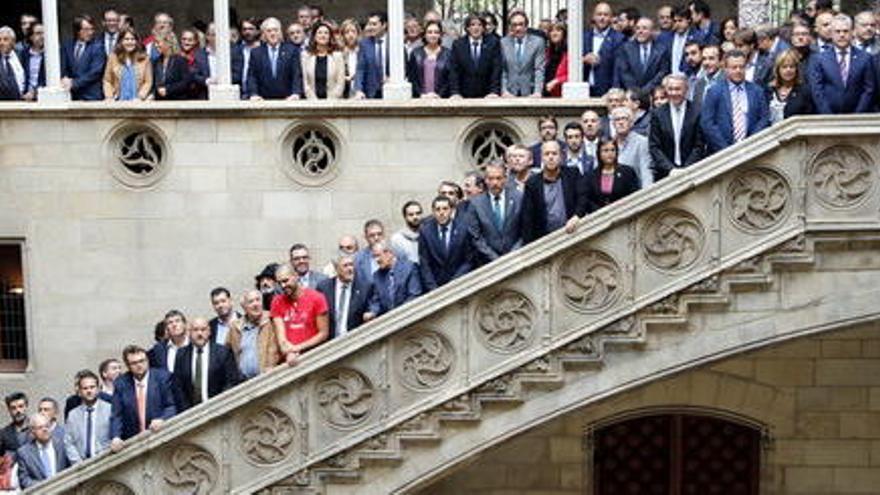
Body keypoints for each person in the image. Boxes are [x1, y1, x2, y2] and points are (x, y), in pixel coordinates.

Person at [700, 50, 770, 154]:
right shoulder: (714, 91)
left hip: (751, 151)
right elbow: (707, 123)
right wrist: (726, 150)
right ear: (726, 68)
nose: (738, 70)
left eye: (741, 67)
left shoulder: (757, 91)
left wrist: (750, 143)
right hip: (721, 153)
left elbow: (764, 119)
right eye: (734, 67)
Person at [109, 345, 177, 450]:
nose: (139, 365)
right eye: (134, 363)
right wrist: (116, 437)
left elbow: (172, 406)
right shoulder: (121, 383)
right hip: (133, 442)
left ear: (148, 360)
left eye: (142, 361)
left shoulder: (162, 377)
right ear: (128, 365)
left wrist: (162, 419)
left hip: (159, 436)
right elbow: (117, 414)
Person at [521, 141, 589, 244]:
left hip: (572, 235)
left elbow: (583, 198)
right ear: (541, 157)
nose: (551, 157)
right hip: (545, 241)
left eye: (554, 153)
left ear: (561, 156)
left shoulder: (572, 174)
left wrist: (577, 216)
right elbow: (527, 218)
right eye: (547, 154)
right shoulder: (532, 183)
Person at [808, 14, 875, 114]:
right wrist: (828, 115)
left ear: (852, 33)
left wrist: (858, 114)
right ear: (831, 34)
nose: (842, 35)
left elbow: (869, 89)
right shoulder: (819, 59)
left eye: (845, 31)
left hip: (858, 118)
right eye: (837, 31)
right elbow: (817, 91)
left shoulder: (865, 58)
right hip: (826, 118)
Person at [172, 318, 241, 411]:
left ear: (209, 332)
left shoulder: (223, 352)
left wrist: (218, 406)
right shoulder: (181, 355)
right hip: (191, 414)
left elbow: (231, 382)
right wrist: (187, 411)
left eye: (203, 330)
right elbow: (178, 387)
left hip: (219, 410)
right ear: (189, 333)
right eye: (195, 330)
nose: (199, 334)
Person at [270, 263, 329, 365]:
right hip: (288, 360)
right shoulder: (277, 301)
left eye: (285, 281)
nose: (283, 286)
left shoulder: (317, 298)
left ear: (296, 276)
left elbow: (323, 333)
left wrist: (297, 348)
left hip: (313, 357)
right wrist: (288, 351)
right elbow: (281, 336)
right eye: (279, 283)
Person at [650, 74, 704, 180]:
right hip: (665, 174)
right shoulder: (658, 114)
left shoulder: (697, 111)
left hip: (692, 172)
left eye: (678, 89)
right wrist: (671, 169)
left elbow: (699, 145)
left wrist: (686, 169)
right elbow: (654, 146)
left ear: (686, 90)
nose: (674, 93)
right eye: (670, 89)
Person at [467, 163, 523, 266]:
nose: (495, 183)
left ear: (505, 179)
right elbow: (476, 237)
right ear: (485, 180)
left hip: (517, 259)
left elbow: (525, 229)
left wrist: (513, 254)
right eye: (490, 179)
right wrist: (494, 258)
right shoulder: (476, 204)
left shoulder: (518, 198)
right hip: (489, 263)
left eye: (498, 178)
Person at [316, 254, 377, 339]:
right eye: (345, 266)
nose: (350, 269)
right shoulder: (324, 287)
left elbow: (373, 305)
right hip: (330, 342)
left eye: (351, 265)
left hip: (355, 340)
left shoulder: (365, 287)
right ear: (336, 269)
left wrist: (371, 312)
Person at [418, 196, 473, 291]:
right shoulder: (425, 232)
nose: (441, 213)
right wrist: (433, 288)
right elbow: (424, 262)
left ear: (451, 210)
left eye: (445, 209)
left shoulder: (463, 229)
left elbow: (468, 260)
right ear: (433, 212)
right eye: (438, 209)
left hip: (458, 284)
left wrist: (455, 282)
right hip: (435, 286)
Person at [226, 290, 281, 379]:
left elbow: (281, 345)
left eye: (258, 300)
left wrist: (273, 366)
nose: (255, 304)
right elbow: (227, 353)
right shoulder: (235, 327)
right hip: (244, 382)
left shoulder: (272, 320)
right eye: (251, 302)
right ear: (244, 307)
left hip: (270, 377)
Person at [247, 17, 303, 100]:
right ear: (264, 34)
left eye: (276, 30)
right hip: (263, 100)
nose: (273, 33)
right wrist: (253, 94)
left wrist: (296, 93)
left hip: (288, 99)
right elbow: (252, 76)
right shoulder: (256, 53)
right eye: (269, 31)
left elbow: (296, 74)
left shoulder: (291, 50)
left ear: (280, 32)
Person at [449, 14, 502, 98]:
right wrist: (455, 92)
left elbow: (496, 69)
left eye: (479, 25)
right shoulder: (458, 45)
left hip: (487, 95)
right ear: (467, 28)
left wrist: (494, 91)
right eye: (472, 25)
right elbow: (454, 71)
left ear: (483, 28)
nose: (476, 28)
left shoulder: (493, 43)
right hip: (463, 95)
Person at [63, 370, 111, 463]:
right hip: (82, 466)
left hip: (106, 461)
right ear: (80, 391)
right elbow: (68, 442)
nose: (89, 391)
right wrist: (78, 463)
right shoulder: (73, 415)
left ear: (98, 389)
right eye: (85, 388)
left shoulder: (109, 409)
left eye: (92, 387)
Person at [614, 17, 670, 94]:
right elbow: (624, 72)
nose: (640, 31)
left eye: (644, 28)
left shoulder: (661, 50)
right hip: (631, 94)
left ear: (652, 31)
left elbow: (662, 72)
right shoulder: (626, 48)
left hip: (653, 94)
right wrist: (636, 91)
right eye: (637, 28)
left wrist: (646, 90)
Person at [582, 2, 625, 97]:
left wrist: (614, 91)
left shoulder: (619, 39)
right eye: (599, 14)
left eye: (606, 15)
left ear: (611, 18)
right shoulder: (583, 37)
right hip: (584, 89)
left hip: (606, 91)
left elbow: (618, 67)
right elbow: (572, 60)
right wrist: (584, 59)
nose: (602, 18)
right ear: (593, 17)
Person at [586, 138, 641, 210]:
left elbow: (634, 196)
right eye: (606, 150)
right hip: (599, 216)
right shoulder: (591, 175)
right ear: (599, 153)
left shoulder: (627, 172)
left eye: (613, 150)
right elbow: (588, 199)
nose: (610, 153)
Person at [16, 413, 70, 489]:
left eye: (47, 426)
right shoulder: (24, 453)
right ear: (32, 431)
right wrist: (44, 487)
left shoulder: (62, 444)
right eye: (40, 427)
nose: (45, 429)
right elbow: (24, 479)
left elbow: (71, 466)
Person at [61, 14, 106, 101]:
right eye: (86, 29)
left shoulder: (98, 46)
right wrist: (65, 79)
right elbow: (64, 68)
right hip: (71, 96)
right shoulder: (67, 46)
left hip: (91, 96)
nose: (90, 32)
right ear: (77, 31)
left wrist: (74, 83)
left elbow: (95, 72)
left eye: (92, 29)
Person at [370, 241, 422, 315]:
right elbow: (376, 301)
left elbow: (414, 294)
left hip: (409, 315)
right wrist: (372, 312)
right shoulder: (377, 276)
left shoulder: (409, 267)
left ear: (389, 253)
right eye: (374, 257)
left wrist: (399, 313)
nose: (376, 260)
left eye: (378, 256)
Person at [500, 11, 545, 97]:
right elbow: (503, 70)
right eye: (514, 25)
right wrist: (504, 91)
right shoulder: (503, 43)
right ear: (510, 27)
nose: (518, 28)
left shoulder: (538, 42)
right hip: (509, 93)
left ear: (526, 26)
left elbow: (539, 69)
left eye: (521, 24)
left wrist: (537, 92)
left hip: (530, 92)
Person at [102, 27, 152, 101]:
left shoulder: (145, 59)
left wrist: (141, 97)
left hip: (138, 102)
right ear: (121, 41)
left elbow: (148, 81)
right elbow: (107, 80)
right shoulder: (113, 58)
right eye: (126, 39)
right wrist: (109, 96)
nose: (130, 42)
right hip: (118, 101)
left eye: (132, 39)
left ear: (137, 41)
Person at [766, 49, 813, 123]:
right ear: (778, 70)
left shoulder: (805, 91)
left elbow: (808, 119)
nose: (788, 70)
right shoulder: (768, 90)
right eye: (784, 67)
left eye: (791, 67)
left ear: (796, 69)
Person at [302, 21, 346, 99]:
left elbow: (340, 84)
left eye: (326, 33)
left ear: (330, 37)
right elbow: (305, 83)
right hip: (311, 103)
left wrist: (329, 102)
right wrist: (314, 101)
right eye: (319, 33)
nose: (323, 35)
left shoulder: (337, 56)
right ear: (314, 36)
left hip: (333, 103)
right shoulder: (306, 56)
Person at [407, 20, 451, 98]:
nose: (433, 35)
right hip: (420, 99)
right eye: (430, 32)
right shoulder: (415, 53)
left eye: (436, 32)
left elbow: (450, 79)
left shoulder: (448, 54)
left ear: (440, 35)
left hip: (441, 99)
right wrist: (421, 94)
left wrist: (439, 95)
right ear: (424, 35)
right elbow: (412, 79)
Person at [612, 106, 654, 188]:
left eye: (624, 119)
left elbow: (645, 170)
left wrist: (647, 193)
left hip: (634, 192)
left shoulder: (642, 142)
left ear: (631, 123)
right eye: (617, 119)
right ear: (613, 124)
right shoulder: (610, 143)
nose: (621, 122)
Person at [354, 12, 389, 99]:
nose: (370, 27)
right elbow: (360, 69)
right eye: (369, 24)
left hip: (391, 90)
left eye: (374, 24)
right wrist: (358, 90)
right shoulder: (364, 44)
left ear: (384, 25)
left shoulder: (394, 43)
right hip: (371, 93)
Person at [152, 31, 191, 100]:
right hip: (160, 103)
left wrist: (168, 89)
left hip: (177, 102)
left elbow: (186, 82)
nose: (155, 45)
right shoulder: (156, 61)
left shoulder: (180, 60)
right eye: (155, 43)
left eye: (158, 42)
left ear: (168, 43)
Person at [232, 17, 261, 98]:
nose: (247, 32)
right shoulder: (235, 50)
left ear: (258, 31)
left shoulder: (264, 49)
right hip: (239, 94)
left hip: (259, 95)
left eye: (251, 29)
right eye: (244, 29)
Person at [691, 44, 724, 109]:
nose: (707, 63)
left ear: (721, 61)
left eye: (711, 58)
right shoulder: (699, 83)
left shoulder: (728, 81)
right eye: (704, 59)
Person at [390, 200, 423, 265]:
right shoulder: (397, 239)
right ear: (405, 217)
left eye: (418, 213)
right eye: (411, 214)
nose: (415, 217)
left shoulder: (428, 235)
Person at [19, 23, 45, 101]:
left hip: (44, 97)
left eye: (43, 33)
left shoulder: (51, 55)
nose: (42, 36)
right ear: (31, 37)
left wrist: (34, 92)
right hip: (25, 98)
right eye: (38, 33)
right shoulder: (23, 54)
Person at [0, 27, 24, 101]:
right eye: (0, 40)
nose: (1, 43)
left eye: (5, 39)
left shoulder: (23, 55)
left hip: (25, 103)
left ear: (13, 42)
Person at [543, 23, 567, 97]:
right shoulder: (546, 52)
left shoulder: (570, 52)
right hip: (546, 94)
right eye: (551, 31)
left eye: (558, 30)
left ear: (564, 33)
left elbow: (574, 74)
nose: (554, 33)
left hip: (562, 94)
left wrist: (557, 81)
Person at [340, 19, 361, 98]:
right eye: (347, 32)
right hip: (345, 92)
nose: (350, 35)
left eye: (353, 31)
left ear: (358, 34)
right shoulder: (339, 53)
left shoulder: (363, 51)